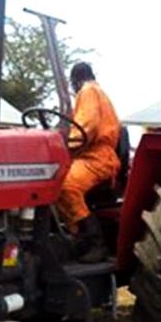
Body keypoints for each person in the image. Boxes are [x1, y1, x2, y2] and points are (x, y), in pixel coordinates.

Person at [57, 62, 121, 263]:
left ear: (75, 81)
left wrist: (62, 145)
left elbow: (86, 127)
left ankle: (93, 242)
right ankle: (69, 234)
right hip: (87, 154)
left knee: (65, 184)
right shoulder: (94, 92)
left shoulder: (88, 91)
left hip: (97, 157)